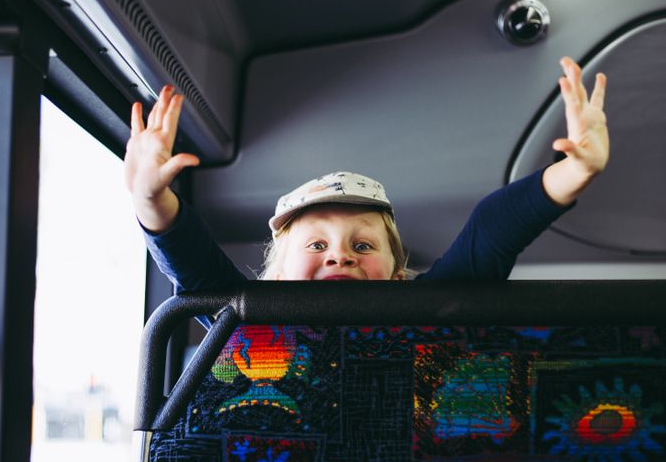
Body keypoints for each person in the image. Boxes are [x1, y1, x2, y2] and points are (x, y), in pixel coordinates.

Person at [125, 57, 608, 297]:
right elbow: (193, 263)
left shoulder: (421, 314)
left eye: (363, 246)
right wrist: (151, 199)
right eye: (316, 246)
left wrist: (574, 171)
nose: (340, 255)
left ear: (399, 278)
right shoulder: (248, 320)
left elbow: (492, 229)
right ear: (276, 278)